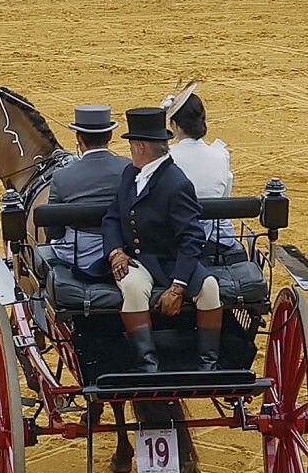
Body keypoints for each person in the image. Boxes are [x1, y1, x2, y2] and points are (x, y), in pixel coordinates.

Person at [101, 105, 221, 373]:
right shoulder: (130, 174)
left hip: (172, 259)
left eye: (132, 145)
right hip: (138, 259)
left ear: (140, 147)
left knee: (210, 288)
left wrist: (178, 287)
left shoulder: (176, 183)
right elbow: (112, 217)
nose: (131, 150)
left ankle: (208, 365)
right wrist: (116, 251)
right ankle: (148, 365)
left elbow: (191, 237)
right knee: (132, 287)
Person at [37, 104, 130, 305]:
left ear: (79, 138)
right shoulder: (129, 168)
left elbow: (54, 232)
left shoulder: (62, 176)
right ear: (110, 136)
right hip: (125, 253)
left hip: (80, 258)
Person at [166, 90, 237, 256]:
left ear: (175, 125)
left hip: (177, 241)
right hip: (217, 241)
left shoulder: (166, 157)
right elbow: (224, 197)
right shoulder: (221, 154)